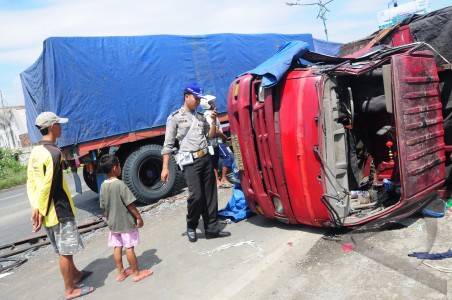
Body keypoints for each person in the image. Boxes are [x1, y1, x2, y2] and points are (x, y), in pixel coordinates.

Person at [26, 111, 94, 300]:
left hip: (46, 211)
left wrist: (36, 208)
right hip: (58, 209)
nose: (61, 127)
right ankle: (70, 289)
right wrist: (41, 209)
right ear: (51, 127)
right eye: (58, 124)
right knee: (66, 252)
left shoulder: (36, 152)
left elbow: (31, 182)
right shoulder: (54, 153)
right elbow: (49, 185)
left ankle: (77, 275)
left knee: (63, 249)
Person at [161, 84, 231, 242]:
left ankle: (211, 229)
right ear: (186, 97)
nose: (198, 101)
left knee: (210, 195)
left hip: (205, 158)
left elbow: (211, 136)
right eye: (196, 98)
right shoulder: (175, 117)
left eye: (200, 98)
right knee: (196, 196)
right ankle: (191, 225)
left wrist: (212, 121)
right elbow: (168, 145)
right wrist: (165, 168)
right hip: (189, 162)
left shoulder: (200, 117)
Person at [98, 154, 153, 282]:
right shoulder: (120, 185)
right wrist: (138, 217)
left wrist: (109, 219)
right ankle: (136, 273)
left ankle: (121, 272)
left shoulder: (103, 186)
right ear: (114, 168)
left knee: (117, 247)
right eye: (119, 165)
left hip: (113, 224)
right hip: (126, 223)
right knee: (129, 247)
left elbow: (103, 207)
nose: (120, 167)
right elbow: (130, 204)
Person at [200, 94, 233, 188]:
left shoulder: (209, 113)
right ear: (207, 104)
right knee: (228, 157)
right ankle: (223, 179)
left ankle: (217, 181)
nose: (214, 104)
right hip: (216, 142)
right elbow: (215, 130)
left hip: (212, 143)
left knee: (214, 161)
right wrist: (224, 137)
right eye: (212, 102)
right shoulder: (209, 115)